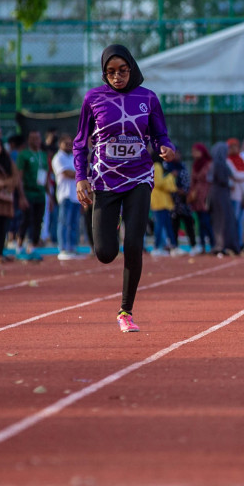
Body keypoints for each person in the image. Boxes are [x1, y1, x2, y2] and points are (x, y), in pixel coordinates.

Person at [72, 44, 178, 332]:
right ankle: (112, 220)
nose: (116, 77)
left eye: (122, 71)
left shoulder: (148, 98)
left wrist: (166, 148)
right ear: (104, 73)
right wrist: (81, 177)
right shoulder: (93, 98)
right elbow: (81, 142)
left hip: (139, 178)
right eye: (110, 72)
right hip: (104, 181)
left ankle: (125, 311)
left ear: (132, 69)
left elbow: (160, 136)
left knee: (133, 244)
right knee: (105, 253)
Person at [15, 130, 48, 256]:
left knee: (38, 220)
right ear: (29, 140)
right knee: (26, 219)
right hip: (28, 192)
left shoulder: (43, 155)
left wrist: (49, 195)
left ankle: (33, 246)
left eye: (37, 138)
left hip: (40, 193)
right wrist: (22, 196)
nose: (35, 141)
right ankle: (19, 243)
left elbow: (46, 176)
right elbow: (19, 176)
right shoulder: (24, 155)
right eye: (33, 138)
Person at [52, 135, 80, 259]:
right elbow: (66, 173)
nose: (69, 146)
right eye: (66, 143)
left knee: (74, 223)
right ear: (60, 144)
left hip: (75, 195)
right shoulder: (58, 158)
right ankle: (62, 248)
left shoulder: (74, 157)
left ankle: (72, 248)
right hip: (65, 195)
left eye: (70, 143)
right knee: (64, 222)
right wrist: (81, 174)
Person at [150, 157, 178, 253]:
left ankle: (172, 246)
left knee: (167, 225)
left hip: (164, 202)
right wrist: (170, 177)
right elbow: (158, 183)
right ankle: (157, 247)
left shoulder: (162, 166)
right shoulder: (157, 166)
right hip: (158, 201)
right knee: (159, 225)